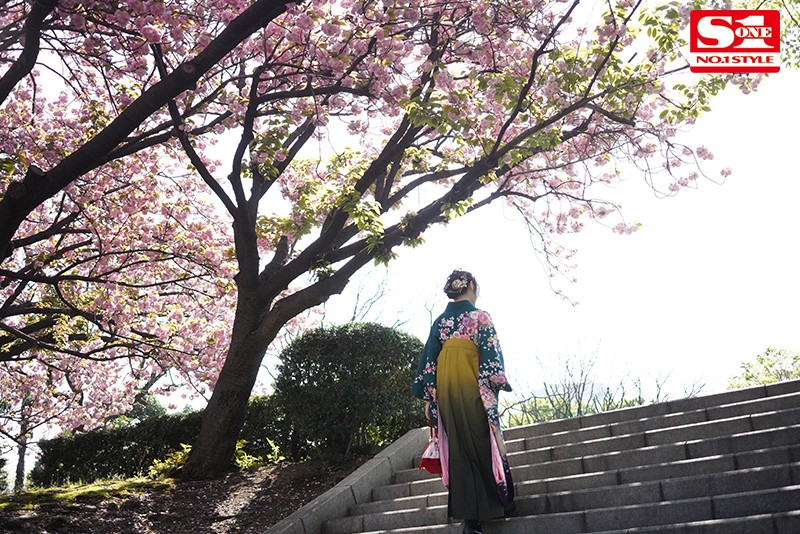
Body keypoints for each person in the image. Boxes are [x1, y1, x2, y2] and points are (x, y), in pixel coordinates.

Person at [411, 269, 514, 534]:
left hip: (446, 388)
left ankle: (470, 519)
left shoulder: (441, 322)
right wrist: (494, 382)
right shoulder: (480, 317)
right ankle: (495, 502)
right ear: (471, 287)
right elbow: (491, 355)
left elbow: (429, 361)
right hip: (472, 384)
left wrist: (430, 397)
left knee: (458, 447)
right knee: (481, 441)